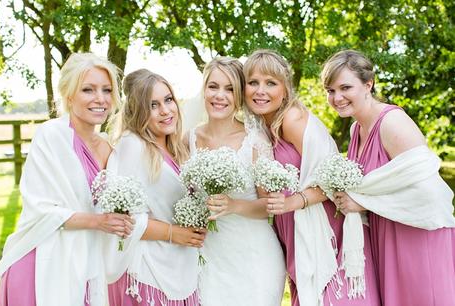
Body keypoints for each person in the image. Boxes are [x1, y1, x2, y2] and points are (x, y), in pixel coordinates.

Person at [243, 49, 381, 306]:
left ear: (285, 89)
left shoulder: (292, 119)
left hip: (328, 231)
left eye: (270, 83)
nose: (260, 90)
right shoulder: (263, 128)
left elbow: (334, 180)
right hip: (293, 232)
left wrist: (294, 201)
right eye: (253, 82)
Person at [0, 53, 133, 306]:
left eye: (106, 90)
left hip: (88, 267)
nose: (100, 99)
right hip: (41, 265)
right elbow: (42, 209)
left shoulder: (109, 150)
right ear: (69, 95)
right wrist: (99, 221)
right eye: (88, 90)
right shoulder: (51, 135)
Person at [321, 49, 455, 306]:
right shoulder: (356, 128)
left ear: (368, 84)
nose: (336, 97)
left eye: (345, 87)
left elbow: (430, 193)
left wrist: (361, 202)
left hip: (417, 236)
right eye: (330, 90)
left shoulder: (392, 122)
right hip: (386, 234)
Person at [184, 57, 286, 306]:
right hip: (208, 257)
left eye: (230, 89)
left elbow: (270, 206)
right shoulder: (187, 139)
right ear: (204, 89)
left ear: (240, 96)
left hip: (253, 258)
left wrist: (233, 205)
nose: (220, 95)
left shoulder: (254, 140)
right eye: (214, 86)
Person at [105, 69, 206, 306]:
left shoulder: (176, 147)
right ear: (139, 111)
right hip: (148, 275)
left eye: (168, 100)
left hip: (181, 264)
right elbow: (123, 219)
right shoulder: (133, 146)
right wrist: (174, 233)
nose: (165, 110)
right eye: (153, 105)